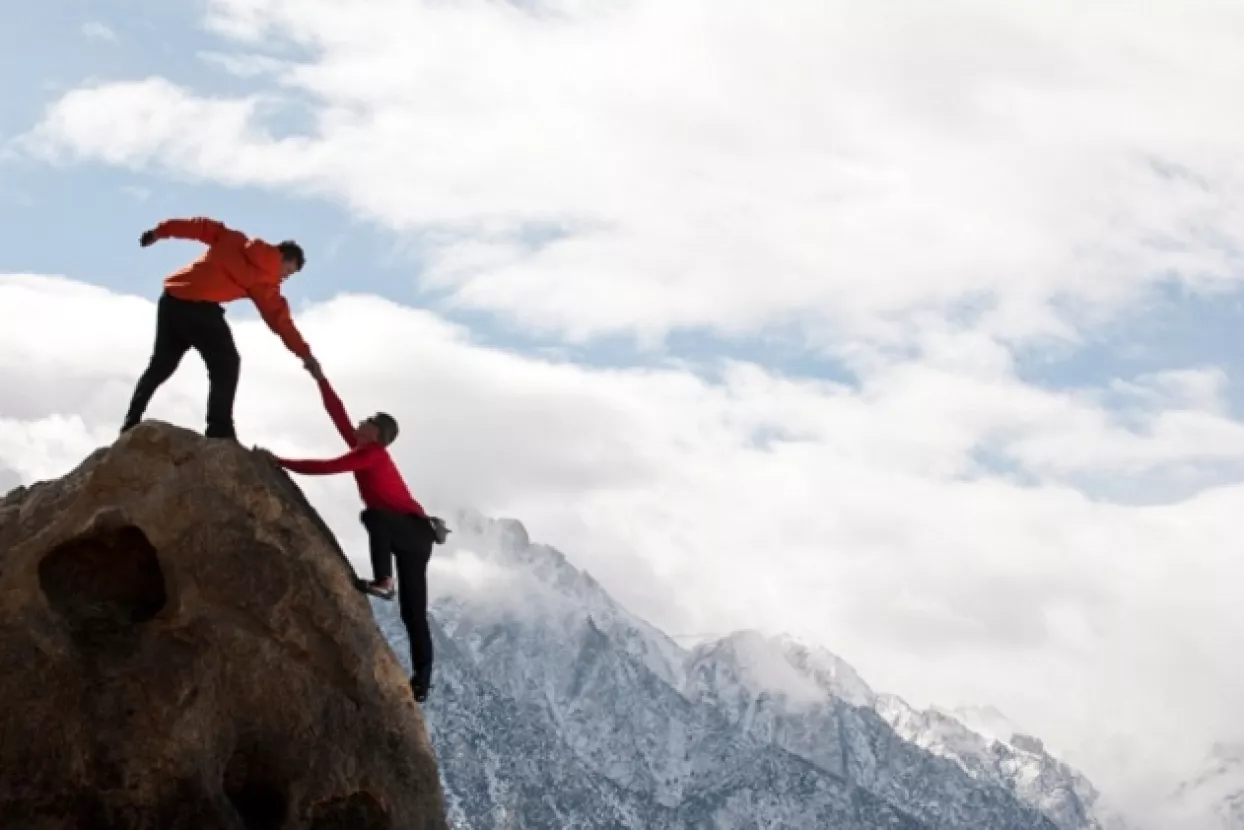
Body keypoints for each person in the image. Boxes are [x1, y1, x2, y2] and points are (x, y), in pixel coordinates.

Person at [263, 375, 447, 703]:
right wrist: (318, 377)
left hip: (411, 530)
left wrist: (279, 462)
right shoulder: (364, 448)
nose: (359, 422)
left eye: (367, 421)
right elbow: (337, 412)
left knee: (374, 517)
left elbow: (327, 467)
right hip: (415, 535)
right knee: (413, 613)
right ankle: (422, 678)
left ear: (375, 433)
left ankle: (384, 581)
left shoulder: (371, 455)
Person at [120, 216, 321, 441]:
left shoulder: (234, 239)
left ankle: (131, 420)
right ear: (283, 257)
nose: (285, 278)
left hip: (172, 300)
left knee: (160, 365)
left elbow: (199, 227)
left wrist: (160, 232)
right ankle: (219, 428)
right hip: (200, 311)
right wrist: (305, 354)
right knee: (226, 363)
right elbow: (280, 321)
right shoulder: (264, 283)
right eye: (288, 271)